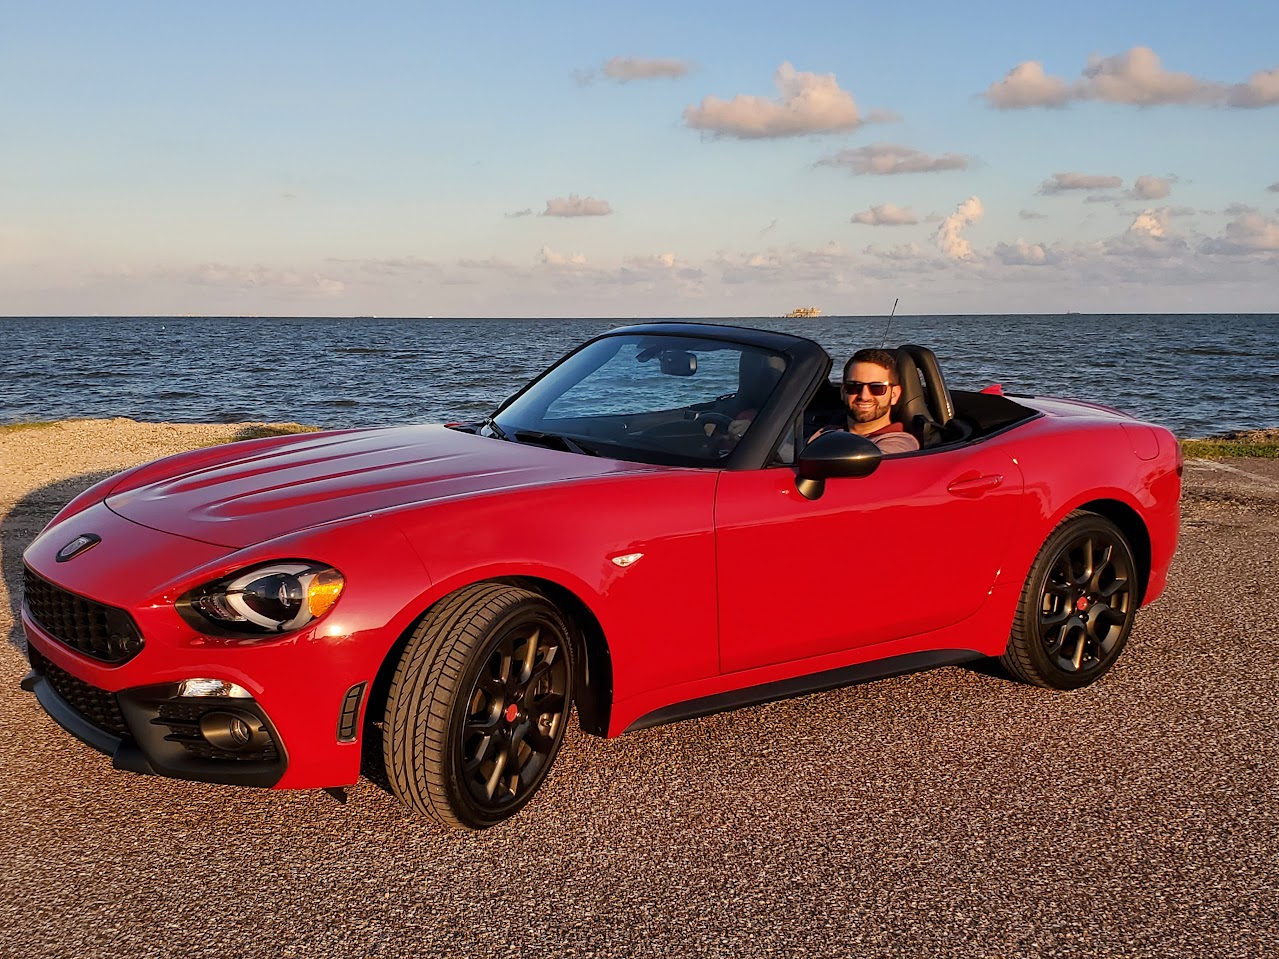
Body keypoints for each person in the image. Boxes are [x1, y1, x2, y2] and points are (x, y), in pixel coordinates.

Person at [813, 349, 920, 453]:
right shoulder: (825, 432)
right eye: (854, 387)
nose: (864, 396)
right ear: (843, 392)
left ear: (894, 395)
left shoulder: (899, 444)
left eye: (877, 388)